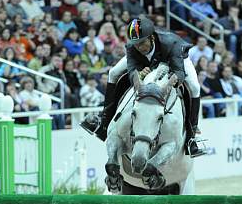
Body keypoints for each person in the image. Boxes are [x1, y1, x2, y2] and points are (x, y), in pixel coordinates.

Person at [81, 16, 203, 156]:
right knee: (113, 72)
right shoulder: (133, 47)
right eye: (136, 44)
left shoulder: (172, 43)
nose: (139, 47)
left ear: (151, 38)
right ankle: (104, 120)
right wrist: (138, 74)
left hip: (173, 59)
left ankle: (192, 136)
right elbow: (132, 69)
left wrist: (170, 83)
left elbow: (179, 73)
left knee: (194, 87)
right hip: (147, 62)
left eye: (141, 43)